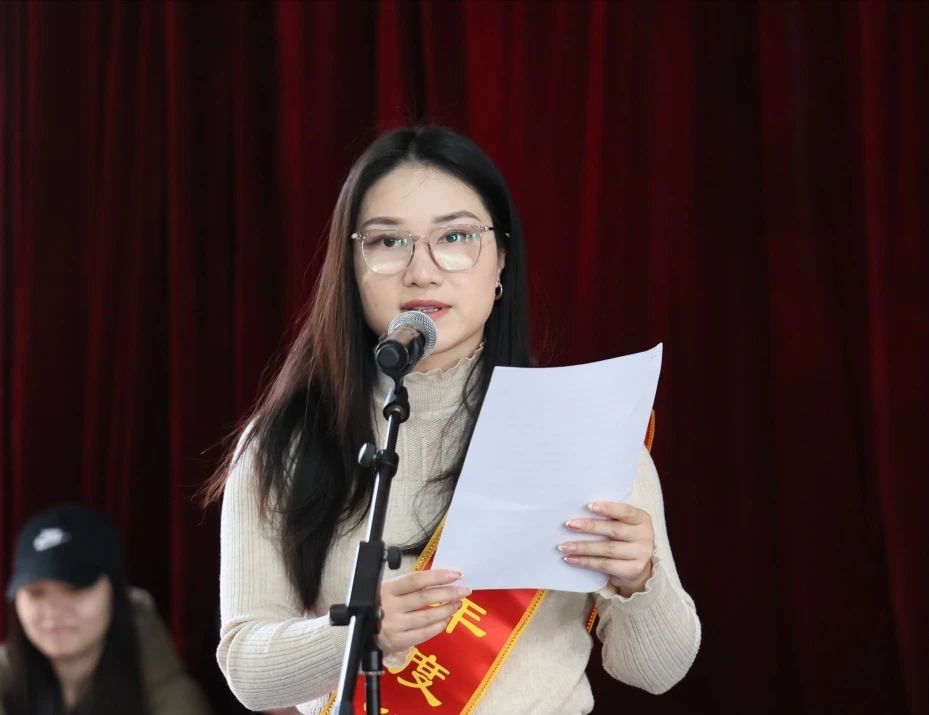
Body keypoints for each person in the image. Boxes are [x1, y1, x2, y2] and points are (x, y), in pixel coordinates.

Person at [210, 126, 701, 714]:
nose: (422, 271)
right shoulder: (286, 441)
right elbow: (248, 672)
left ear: (501, 261)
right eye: (388, 242)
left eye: (456, 236)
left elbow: (658, 671)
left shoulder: (575, 431)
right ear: (351, 267)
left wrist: (640, 579)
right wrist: (359, 633)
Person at [0, 504, 212, 715]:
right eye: (36, 593)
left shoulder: (165, 688)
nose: (53, 609)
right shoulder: (7, 676)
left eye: (75, 588)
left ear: (116, 593)